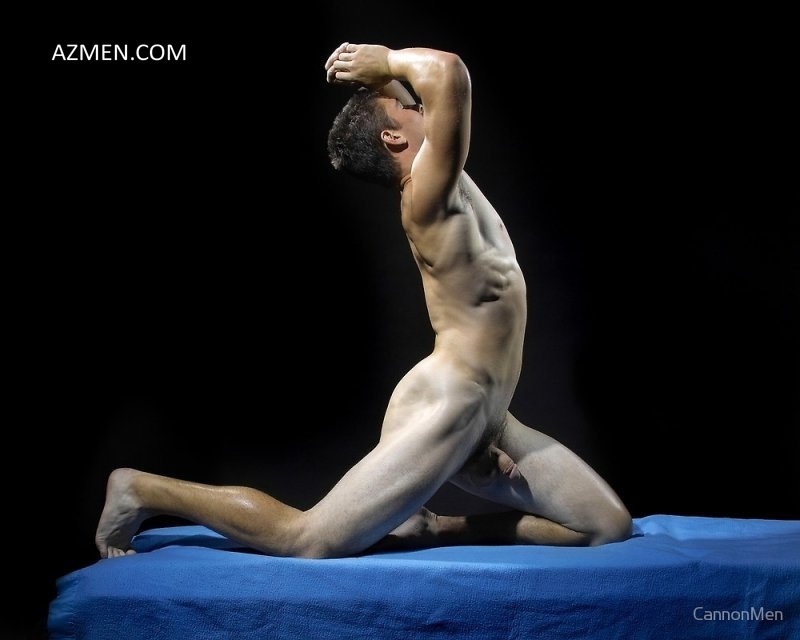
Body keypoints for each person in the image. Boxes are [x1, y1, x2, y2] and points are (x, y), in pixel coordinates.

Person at [95, 43, 632, 560]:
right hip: (451, 399)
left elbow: (429, 91)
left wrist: (382, 77)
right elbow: (448, 71)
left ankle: (434, 526)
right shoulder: (428, 194)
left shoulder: (444, 178)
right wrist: (390, 59)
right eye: (408, 107)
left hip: (492, 410)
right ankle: (142, 489)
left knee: (605, 526)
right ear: (394, 137)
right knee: (307, 537)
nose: (421, 104)